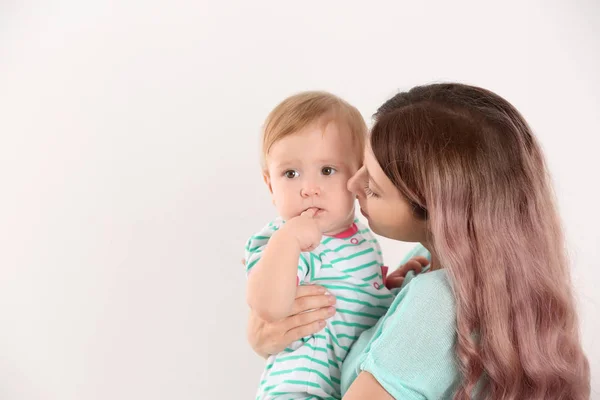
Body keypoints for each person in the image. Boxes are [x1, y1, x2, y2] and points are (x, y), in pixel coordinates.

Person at [248, 83, 591, 399]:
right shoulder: (440, 268)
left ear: (434, 209)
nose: (353, 184)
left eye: (374, 188)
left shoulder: (437, 298)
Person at [245, 91, 398, 399]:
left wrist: (390, 289)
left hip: (348, 385)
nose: (308, 189)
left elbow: (362, 305)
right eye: (290, 173)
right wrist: (288, 241)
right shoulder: (285, 240)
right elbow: (268, 307)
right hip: (299, 387)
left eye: (327, 170)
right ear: (270, 185)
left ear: (358, 177)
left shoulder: (363, 238)